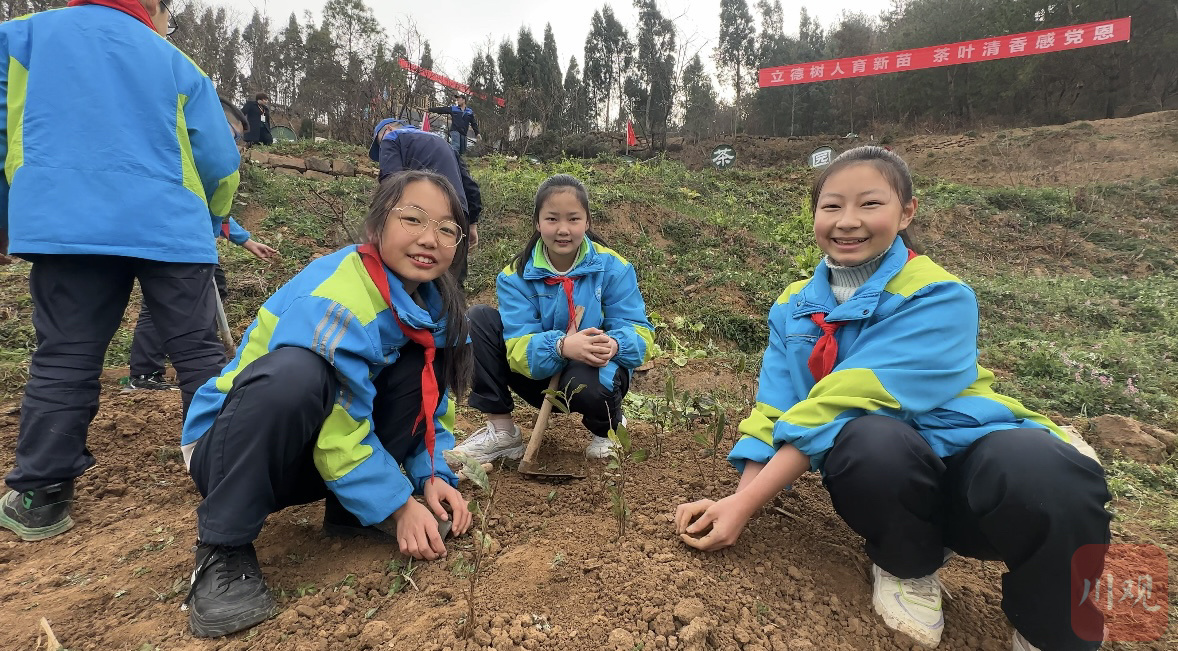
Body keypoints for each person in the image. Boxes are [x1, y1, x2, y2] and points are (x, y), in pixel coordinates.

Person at [673, 147, 1111, 651]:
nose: (848, 222)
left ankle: (1055, 632)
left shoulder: (940, 295)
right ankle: (907, 564)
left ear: (906, 212)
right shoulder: (794, 305)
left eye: (870, 204)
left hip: (973, 477)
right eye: (832, 206)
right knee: (870, 445)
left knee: (1044, 469)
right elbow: (776, 408)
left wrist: (745, 505)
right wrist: (735, 502)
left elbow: (846, 399)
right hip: (895, 486)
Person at [179, 170, 474, 637]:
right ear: (376, 227)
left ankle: (352, 511)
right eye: (413, 219)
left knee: (413, 366)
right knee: (296, 375)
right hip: (229, 449)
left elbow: (430, 407)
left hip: (309, 455)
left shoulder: (436, 309)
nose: (428, 238)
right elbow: (337, 417)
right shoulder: (339, 296)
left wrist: (432, 474)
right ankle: (222, 548)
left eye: (446, 228)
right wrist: (399, 505)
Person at [0, 0, 240, 542]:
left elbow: (1, 129)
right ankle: (230, 471)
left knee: (66, 351)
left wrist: (7, 216)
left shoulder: (22, 40)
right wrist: (213, 217)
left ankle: (42, 494)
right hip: (170, 226)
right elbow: (222, 160)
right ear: (152, 8)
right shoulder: (177, 63)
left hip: (67, 222)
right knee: (200, 350)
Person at [454, 174, 655, 462]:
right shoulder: (515, 276)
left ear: (587, 222)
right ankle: (502, 433)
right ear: (537, 223)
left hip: (590, 375)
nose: (563, 230)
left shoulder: (614, 268)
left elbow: (640, 332)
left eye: (573, 219)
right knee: (477, 319)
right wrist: (560, 347)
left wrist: (613, 344)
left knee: (595, 378)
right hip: (536, 376)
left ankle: (607, 428)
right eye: (552, 219)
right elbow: (518, 345)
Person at [125, 217, 278, 390]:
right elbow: (214, 208)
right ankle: (153, 371)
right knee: (162, 302)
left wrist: (246, 241)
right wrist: (245, 240)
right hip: (176, 243)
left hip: (173, 241)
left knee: (209, 290)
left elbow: (217, 210)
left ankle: (194, 361)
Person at [370, 118, 482, 283]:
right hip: (456, 219)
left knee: (416, 280)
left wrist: (375, 222)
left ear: (387, 129)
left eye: (379, 145)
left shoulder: (392, 137)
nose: (382, 151)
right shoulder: (446, 145)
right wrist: (471, 224)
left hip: (420, 216)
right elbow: (470, 187)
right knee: (453, 283)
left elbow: (391, 182)